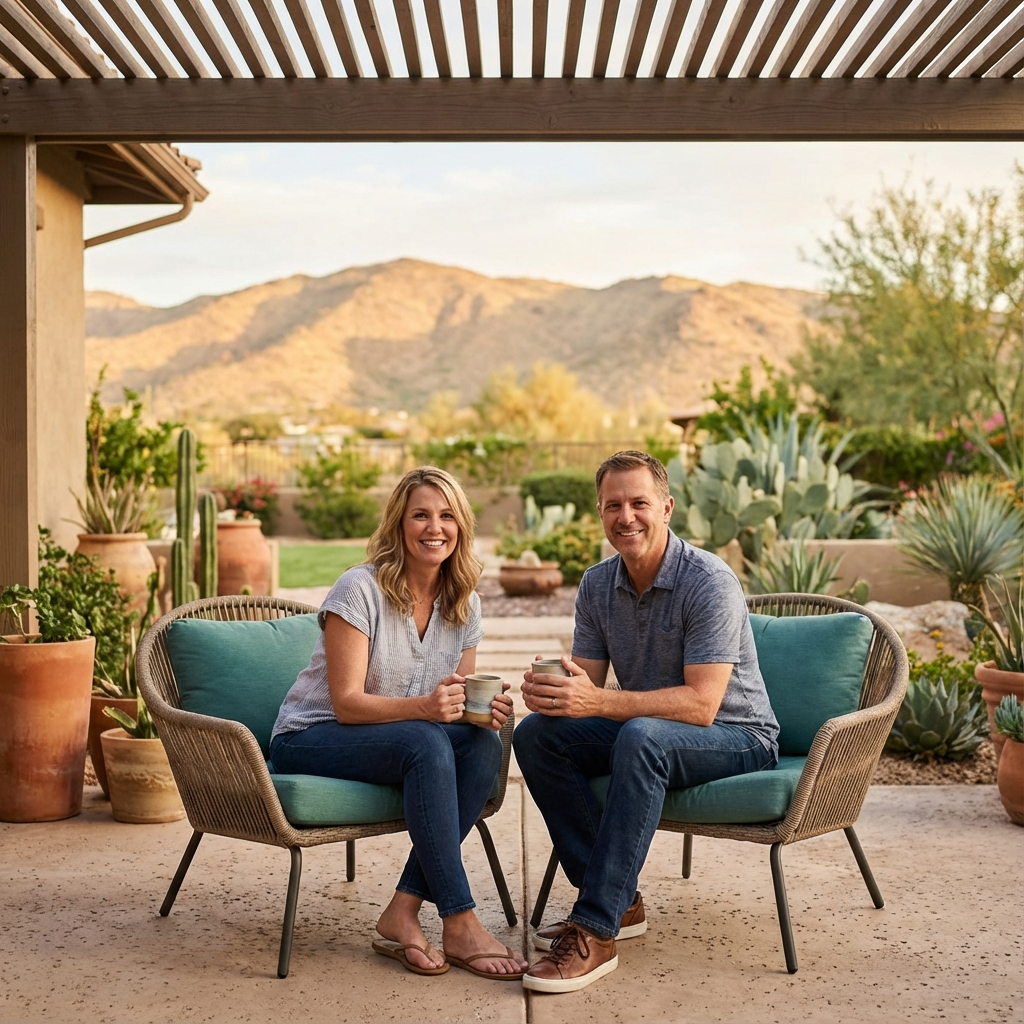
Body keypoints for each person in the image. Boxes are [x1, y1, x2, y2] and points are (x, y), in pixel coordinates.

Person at [514, 450, 780, 993]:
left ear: (667, 507)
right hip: (653, 731)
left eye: (639, 503)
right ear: (600, 512)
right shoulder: (596, 584)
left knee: (640, 736)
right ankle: (620, 902)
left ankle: (595, 928)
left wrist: (599, 703)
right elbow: (585, 684)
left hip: (736, 734)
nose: (626, 516)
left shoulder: (708, 581)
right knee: (538, 737)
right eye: (614, 505)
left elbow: (704, 705)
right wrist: (554, 694)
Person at [270, 466, 527, 980]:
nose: (435, 528)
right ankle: (459, 919)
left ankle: (402, 911)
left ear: (462, 526)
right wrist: (428, 711)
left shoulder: (465, 603)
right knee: (426, 741)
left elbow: (454, 705)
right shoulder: (359, 589)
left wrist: (484, 714)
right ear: (399, 525)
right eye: (421, 516)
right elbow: (345, 703)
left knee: (481, 745)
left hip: (400, 738)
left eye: (447, 515)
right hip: (312, 736)